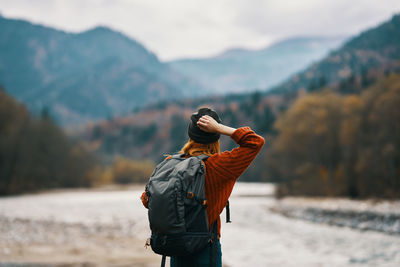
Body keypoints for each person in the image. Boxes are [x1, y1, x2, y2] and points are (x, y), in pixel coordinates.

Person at [141, 107, 265, 267]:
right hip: (205, 249)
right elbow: (255, 142)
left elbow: (147, 200)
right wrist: (220, 128)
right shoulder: (219, 166)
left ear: (190, 135)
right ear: (215, 136)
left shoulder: (171, 163)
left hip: (175, 246)